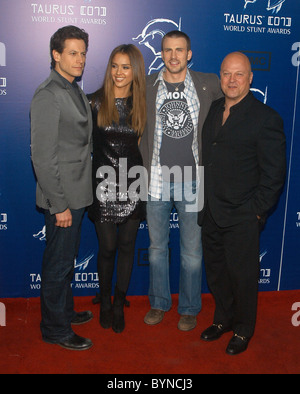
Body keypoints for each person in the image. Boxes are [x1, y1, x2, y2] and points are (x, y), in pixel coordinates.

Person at [199, 52, 286, 355]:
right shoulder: (212, 110)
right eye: (226, 73)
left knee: (243, 276)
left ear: (250, 78)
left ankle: (243, 329)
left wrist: (255, 211)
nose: (232, 80)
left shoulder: (266, 118)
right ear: (220, 77)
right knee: (217, 273)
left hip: (243, 215)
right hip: (210, 211)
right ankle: (222, 320)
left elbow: (275, 173)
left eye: (239, 74)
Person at [139, 30, 223, 331]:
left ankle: (189, 307)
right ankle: (159, 303)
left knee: (191, 251)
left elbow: (237, 98)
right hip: (156, 181)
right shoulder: (147, 85)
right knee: (156, 249)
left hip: (192, 181)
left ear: (189, 54)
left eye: (180, 50)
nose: (173, 55)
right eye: (167, 50)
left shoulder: (208, 83)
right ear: (161, 53)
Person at [30, 26, 94, 351]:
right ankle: (55, 329)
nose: (80, 59)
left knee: (66, 259)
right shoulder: (49, 94)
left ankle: (65, 311)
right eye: (73, 52)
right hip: (63, 199)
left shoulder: (71, 87)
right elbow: (42, 157)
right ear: (56, 55)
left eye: (83, 53)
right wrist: (59, 205)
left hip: (77, 194)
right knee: (57, 264)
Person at [88, 44, 146, 333]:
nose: (119, 72)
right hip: (102, 185)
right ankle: (106, 300)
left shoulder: (142, 104)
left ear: (135, 70)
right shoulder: (94, 103)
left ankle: (120, 300)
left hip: (133, 183)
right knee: (108, 246)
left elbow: (143, 147)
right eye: (114, 66)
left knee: (126, 246)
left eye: (125, 67)